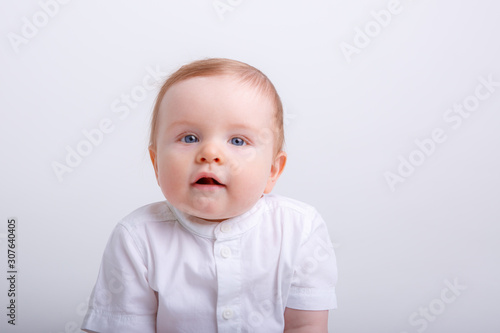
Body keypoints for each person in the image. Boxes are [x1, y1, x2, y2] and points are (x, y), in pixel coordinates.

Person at [81, 58, 337, 333]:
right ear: (156, 164)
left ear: (273, 171)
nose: (210, 153)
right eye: (189, 138)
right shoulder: (136, 238)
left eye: (238, 141)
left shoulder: (299, 230)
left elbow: (305, 326)